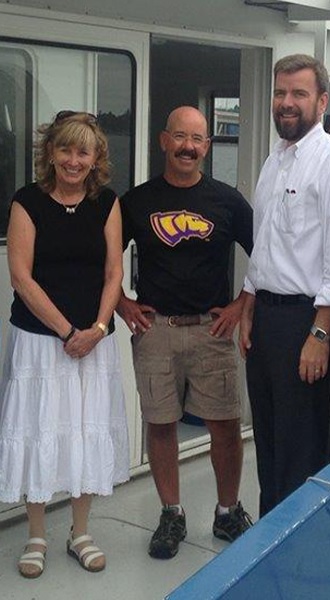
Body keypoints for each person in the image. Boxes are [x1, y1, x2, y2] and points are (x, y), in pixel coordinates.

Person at [118, 105, 253, 560]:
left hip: (211, 333)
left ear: (207, 147)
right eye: (180, 137)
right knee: (161, 425)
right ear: (163, 140)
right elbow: (101, 262)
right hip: (156, 331)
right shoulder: (135, 202)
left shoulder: (228, 201)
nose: (188, 147)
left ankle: (227, 511)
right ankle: (171, 514)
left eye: (197, 140)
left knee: (225, 427)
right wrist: (121, 303)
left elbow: (269, 257)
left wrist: (240, 305)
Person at [0, 111, 129, 578]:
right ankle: (36, 535)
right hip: (41, 341)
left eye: (83, 152)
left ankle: (80, 532)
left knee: (83, 429)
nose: (74, 161)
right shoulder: (27, 202)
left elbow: (115, 272)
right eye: (65, 150)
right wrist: (66, 332)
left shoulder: (107, 203)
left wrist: (96, 328)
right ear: (50, 154)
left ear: (96, 159)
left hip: (93, 342)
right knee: (39, 430)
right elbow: (21, 276)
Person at [239, 54, 330, 517]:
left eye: (298, 94)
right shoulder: (274, 161)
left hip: (306, 323)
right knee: (268, 440)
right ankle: (269, 544)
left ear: (322, 101)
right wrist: (249, 309)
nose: (286, 103)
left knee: (302, 447)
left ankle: (299, 562)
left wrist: (320, 333)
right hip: (268, 319)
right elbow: (266, 245)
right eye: (280, 93)